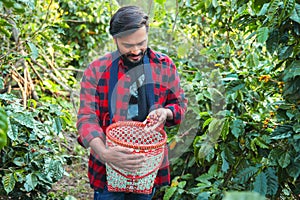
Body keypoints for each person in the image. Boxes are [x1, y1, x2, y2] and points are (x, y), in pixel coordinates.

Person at [76, 5, 187, 200]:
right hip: (106, 170)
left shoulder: (164, 66)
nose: (136, 50)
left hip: (146, 169)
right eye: (128, 45)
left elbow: (180, 106)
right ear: (115, 39)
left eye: (141, 43)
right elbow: (86, 119)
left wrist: (165, 112)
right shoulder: (96, 70)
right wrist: (104, 153)